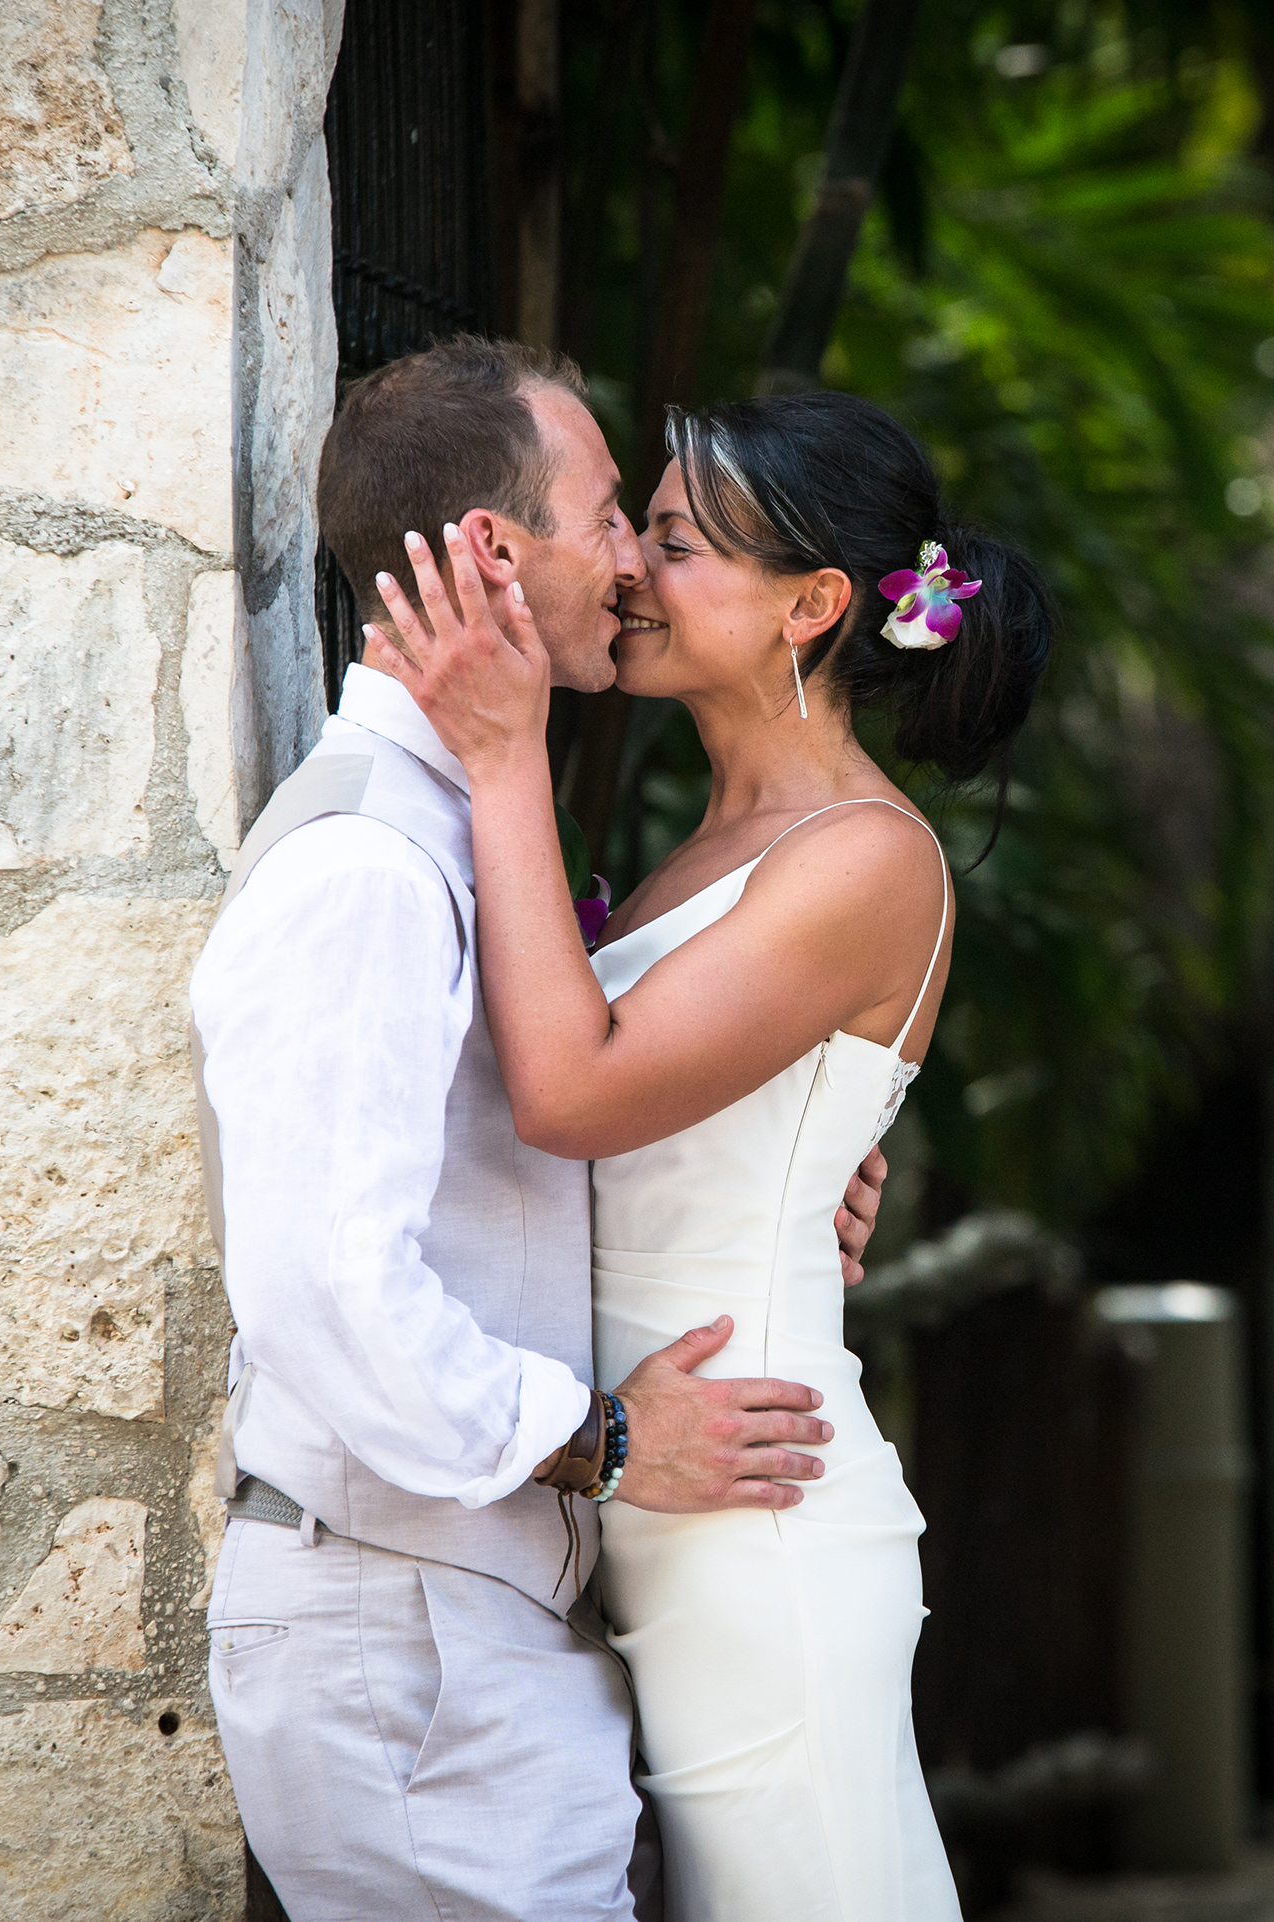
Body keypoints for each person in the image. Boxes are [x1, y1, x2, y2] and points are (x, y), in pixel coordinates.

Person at [189, 337, 893, 1920]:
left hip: (468, 1624)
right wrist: (617, 1442)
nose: (636, 558)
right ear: (495, 556)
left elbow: (558, 1125)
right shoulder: (369, 863)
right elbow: (326, 1294)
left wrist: (787, 1170)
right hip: (406, 1632)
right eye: (608, 516)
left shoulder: (463, 834)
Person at [368, 387, 1055, 1921]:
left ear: (813, 605)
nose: (629, 570)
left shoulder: (864, 858)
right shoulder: (713, 841)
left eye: (672, 542)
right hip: (663, 1499)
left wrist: (498, 757)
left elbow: (568, 1091)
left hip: (760, 1518)